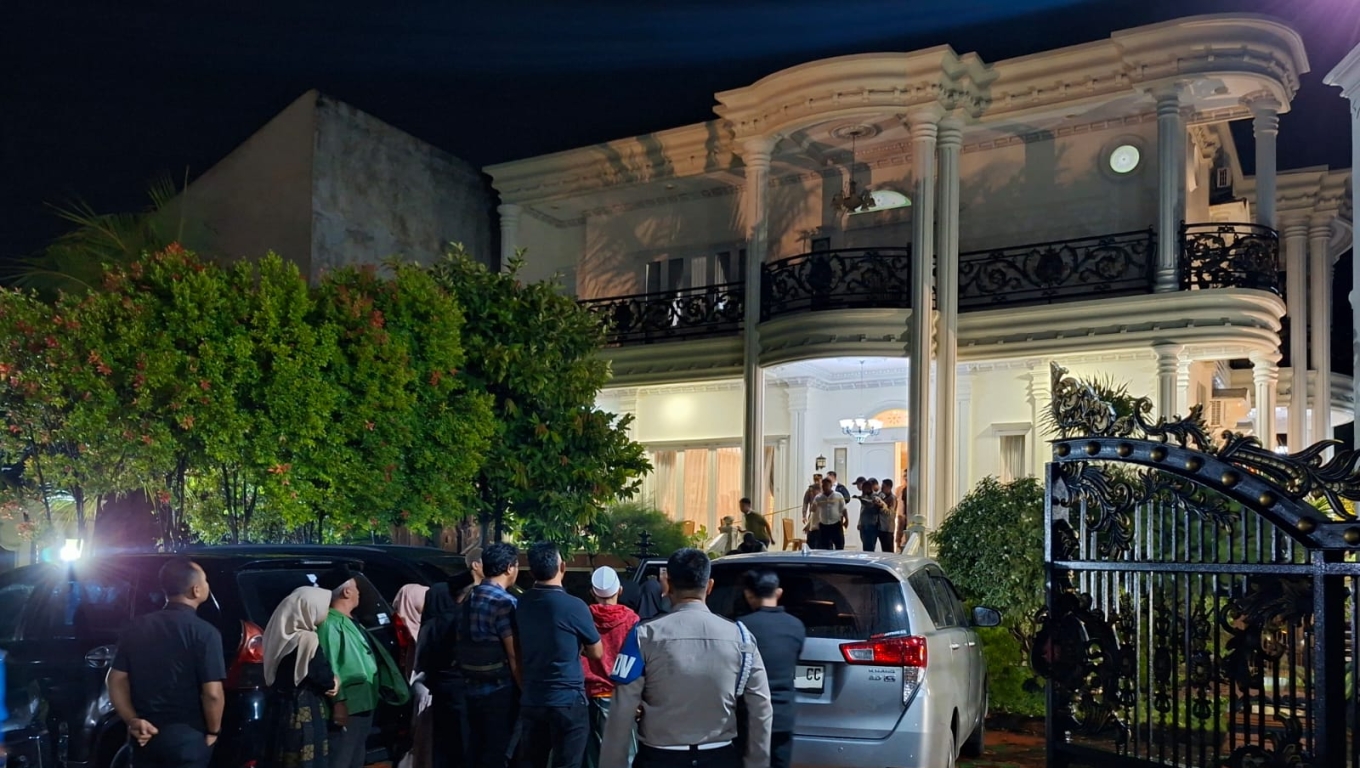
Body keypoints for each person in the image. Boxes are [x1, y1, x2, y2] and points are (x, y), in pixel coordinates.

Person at [600, 548, 773, 768]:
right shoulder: (741, 637)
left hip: (658, 758)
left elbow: (621, 711)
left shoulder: (642, 635)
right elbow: (761, 707)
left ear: (668, 585)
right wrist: (757, 762)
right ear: (709, 586)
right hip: (720, 756)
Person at [107, 557, 226, 768]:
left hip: (145, 735)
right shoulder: (206, 633)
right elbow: (213, 694)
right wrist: (213, 732)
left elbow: (115, 679)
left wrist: (132, 720)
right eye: (205, 580)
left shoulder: (136, 627)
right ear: (196, 590)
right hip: (188, 737)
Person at [516, 543, 604, 768]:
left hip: (533, 698)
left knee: (532, 762)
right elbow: (597, 652)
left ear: (531, 572)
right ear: (562, 567)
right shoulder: (575, 606)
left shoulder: (522, 603)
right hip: (568, 699)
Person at [319, 568, 412, 768]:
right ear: (346, 592)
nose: (359, 592)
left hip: (364, 702)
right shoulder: (330, 624)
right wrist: (338, 703)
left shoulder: (352, 621)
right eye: (356, 587)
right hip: (349, 705)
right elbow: (330, 665)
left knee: (356, 757)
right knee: (341, 758)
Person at [261, 586, 340, 768]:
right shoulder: (307, 639)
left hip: (280, 707)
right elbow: (322, 676)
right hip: (304, 708)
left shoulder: (276, 634)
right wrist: (333, 681)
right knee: (306, 758)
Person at [460, 543, 521, 768]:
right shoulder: (505, 603)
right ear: (509, 568)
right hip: (499, 689)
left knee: (476, 749)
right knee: (497, 751)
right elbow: (514, 653)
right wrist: (524, 687)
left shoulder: (470, 596)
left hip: (470, 685)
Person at [738, 572, 806, 768]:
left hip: (748, 715)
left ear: (749, 594)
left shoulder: (742, 627)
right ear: (778, 592)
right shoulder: (796, 626)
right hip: (783, 715)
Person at [581, 568, 638, 768]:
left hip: (590, 695)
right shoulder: (631, 619)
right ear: (619, 590)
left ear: (592, 592)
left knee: (593, 756)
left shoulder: (583, 616)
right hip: (622, 695)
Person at [811, 477, 848, 550]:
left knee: (839, 545)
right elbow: (813, 510)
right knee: (824, 547)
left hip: (836, 524)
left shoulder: (838, 495)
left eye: (826, 485)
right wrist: (813, 506)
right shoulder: (818, 497)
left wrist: (846, 520)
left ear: (830, 485)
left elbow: (843, 509)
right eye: (823, 486)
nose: (824, 487)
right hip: (824, 525)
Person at [856, 478, 884, 552]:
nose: (864, 490)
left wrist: (862, 500)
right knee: (865, 546)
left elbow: (871, 504)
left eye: (866, 488)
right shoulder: (864, 496)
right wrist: (859, 522)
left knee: (870, 547)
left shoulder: (875, 496)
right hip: (863, 525)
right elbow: (862, 511)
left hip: (871, 526)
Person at [801, 474, 824, 549]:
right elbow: (805, 503)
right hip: (812, 514)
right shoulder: (810, 490)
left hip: (822, 517)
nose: (817, 482)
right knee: (811, 536)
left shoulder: (824, 489)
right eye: (815, 480)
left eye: (818, 480)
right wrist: (804, 515)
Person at [878, 479, 898, 553]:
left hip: (888, 529)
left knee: (888, 551)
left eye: (884, 486)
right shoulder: (883, 497)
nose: (882, 488)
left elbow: (890, 513)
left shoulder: (892, 498)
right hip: (882, 528)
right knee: (884, 550)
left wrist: (881, 506)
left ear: (889, 487)